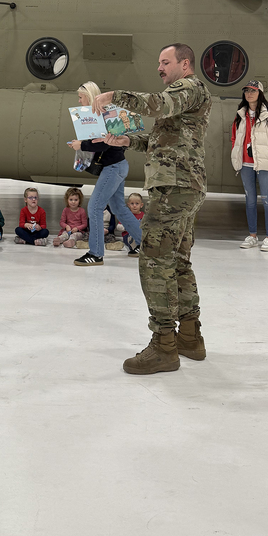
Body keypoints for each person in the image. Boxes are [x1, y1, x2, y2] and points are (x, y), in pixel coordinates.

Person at [93, 43, 211, 375]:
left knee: (154, 262)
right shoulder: (186, 96)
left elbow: (156, 105)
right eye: (158, 62)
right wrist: (130, 141)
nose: (159, 68)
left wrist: (114, 96)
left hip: (174, 188)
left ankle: (164, 346)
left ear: (184, 64)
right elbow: (168, 140)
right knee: (178, 262)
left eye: (165, 62)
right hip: (185, 186)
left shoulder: (186, 88)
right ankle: (189, 337)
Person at [69, 81, 142, 267]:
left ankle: (96, 253)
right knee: (118, 208)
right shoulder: (99, 113)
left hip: (113, 168)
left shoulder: (101, 113)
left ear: (88, 96)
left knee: (94, 207)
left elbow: (105, 143)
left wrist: (82, 145)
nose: (79, 100)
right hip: (118, 166)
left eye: (80, 96)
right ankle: (146, 244)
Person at [231, 79, 268, 252]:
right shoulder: (240, 115)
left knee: (267, 200)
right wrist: (237, 151)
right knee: (250, 201)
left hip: (264, 165)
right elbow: (234, 137)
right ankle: (252, 235)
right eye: (247, 91)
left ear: (260, 93)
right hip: (246, 165)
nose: (249, 94)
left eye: (253, 91)